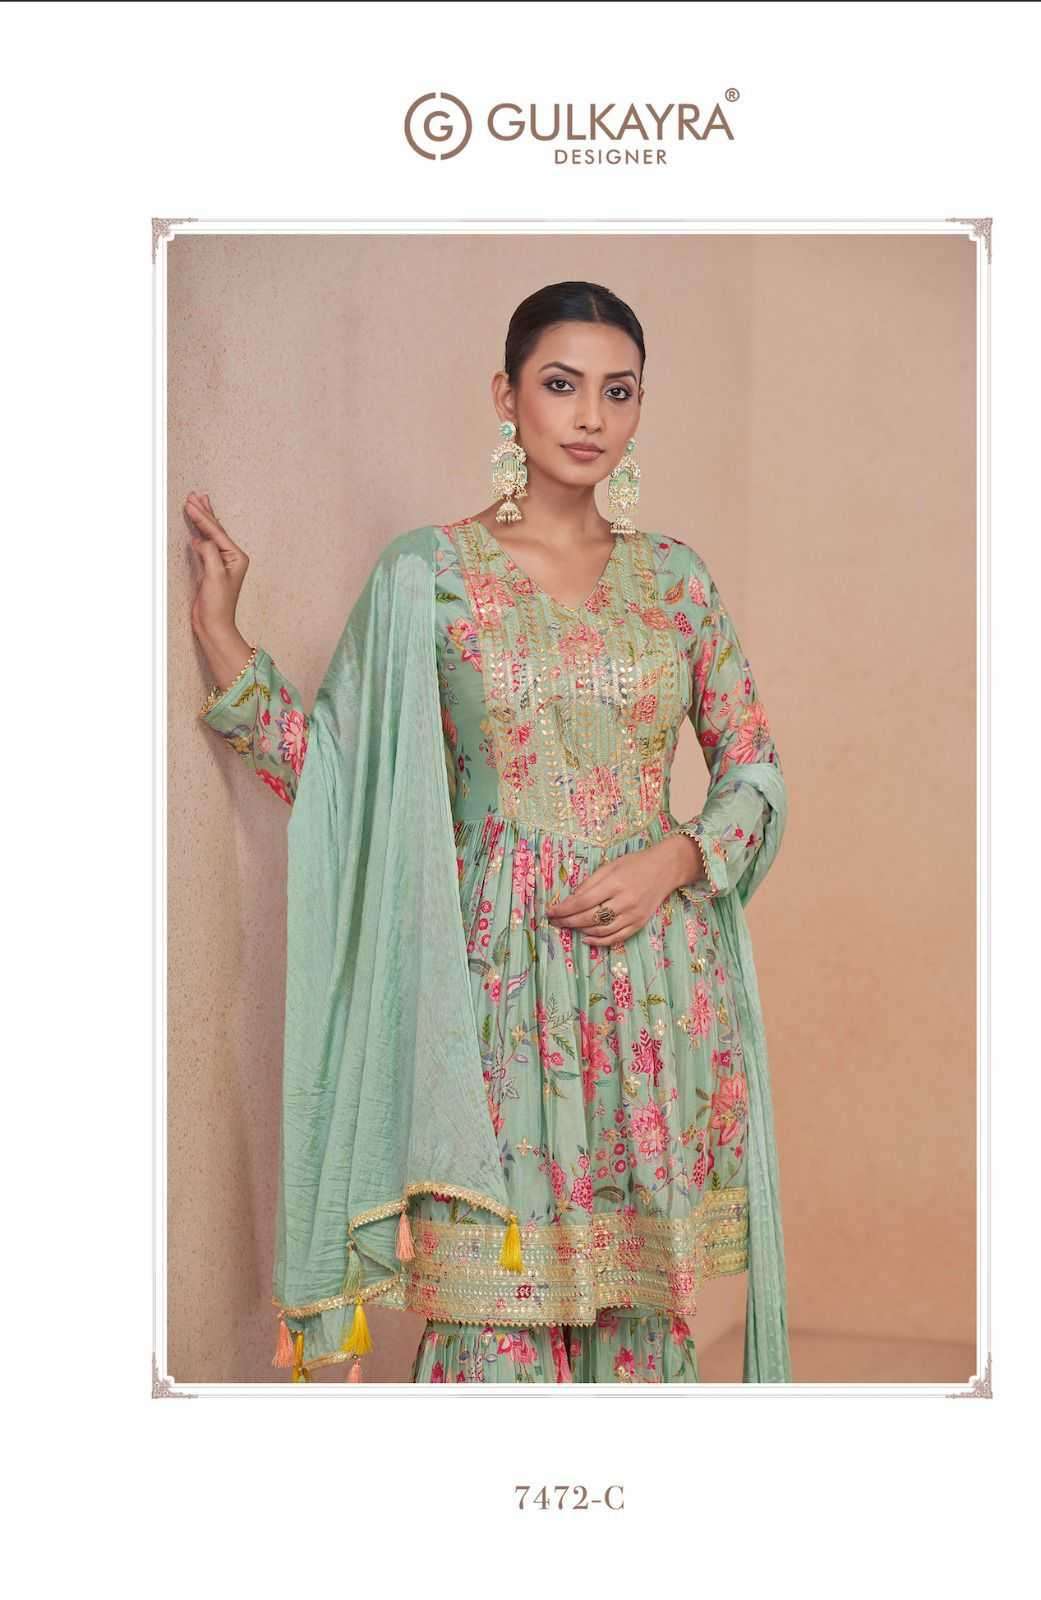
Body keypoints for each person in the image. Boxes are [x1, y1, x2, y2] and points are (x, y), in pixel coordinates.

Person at [188, 280, 791, 1384]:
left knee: (636, 1334)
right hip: (488, 1001)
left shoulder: (676, 583)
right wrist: (225, 640)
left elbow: (753, 770)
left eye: (618, 391)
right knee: (487, 1332)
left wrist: (673, 858)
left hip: (652, 998)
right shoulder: (427, 577)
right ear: (506, 397)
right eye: (560, 384)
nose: (590, 416)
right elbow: (348, 784)